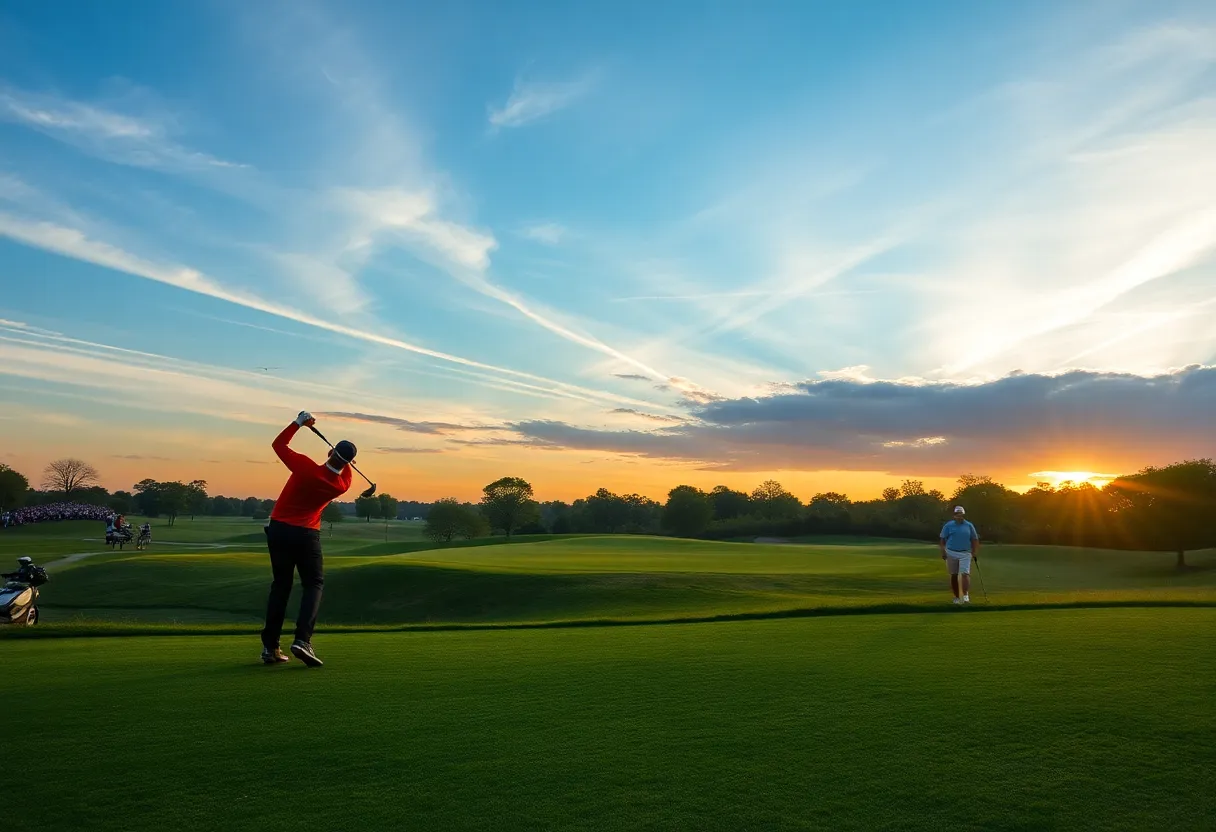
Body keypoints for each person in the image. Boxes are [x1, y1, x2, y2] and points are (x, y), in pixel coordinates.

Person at [260, 410, 356, 667]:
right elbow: (344, 472)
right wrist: (345, 462)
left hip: (279, 530)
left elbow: (278, 445)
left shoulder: (304, 467)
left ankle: (270, 648)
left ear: (329, 452)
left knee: (281, 586)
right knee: (313, 584)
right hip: (306, 535)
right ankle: (302, 640)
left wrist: (299, 423)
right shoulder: (341, 485)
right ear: (348, 463)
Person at [940, 506, 979, 604]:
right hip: (951, 552)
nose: (959, 516)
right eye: (957, 514)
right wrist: (943, 551)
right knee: (954, 575)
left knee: (965, 574)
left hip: (965, 553)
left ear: (963, 515)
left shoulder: (969, 525)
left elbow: (974, 539)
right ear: (954, 515)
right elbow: (942, 539)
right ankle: (957, 597)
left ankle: (965, 596)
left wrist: (974, 552)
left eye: (961, 514)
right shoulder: (948, 525)